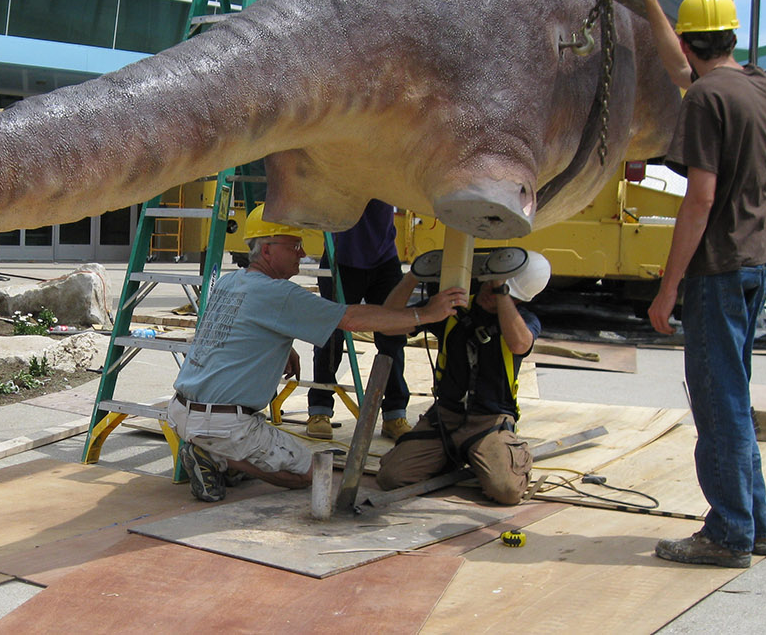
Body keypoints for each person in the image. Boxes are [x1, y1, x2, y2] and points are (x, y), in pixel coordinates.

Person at [169, 204, 467, 502]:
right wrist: (424, 314)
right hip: (223, 424)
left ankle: (216, 452)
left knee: (258, 449)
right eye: (294, 245)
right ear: (268, 250)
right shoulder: (281, 294)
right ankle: (218, 457)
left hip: (181, 410)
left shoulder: (230, 282)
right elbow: (351, 318)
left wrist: (280, 348)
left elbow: (233, 332)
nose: (302, 252)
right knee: (308, 474)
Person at [637, 0, 766, 568]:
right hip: (756, 265)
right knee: (736, 396)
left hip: (716, 269)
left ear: (692, 41)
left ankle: (727, 534)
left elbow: (699, 198)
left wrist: (668, 288)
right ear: (732, 37)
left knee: (718, 403)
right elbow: (683, 69)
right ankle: (757, 524)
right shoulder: (756, 85)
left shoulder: (702, 102)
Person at [373, 253, 550, 505]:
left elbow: (520, 344)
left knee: (507, 491)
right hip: (445, 419)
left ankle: (499, 456)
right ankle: (453, 454)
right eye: (490, 283)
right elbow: (386, 324)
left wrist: (502, 292)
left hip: (489, 421)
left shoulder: (523, 321)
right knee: (391, 477)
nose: (492, 290)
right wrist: (413, 277)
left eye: (505, 290)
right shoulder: (453, 310)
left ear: (519, 298)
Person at [306, 199, 413, 442]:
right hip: (341, 258)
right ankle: (320, 409)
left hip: (384, 257)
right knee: (329, 336)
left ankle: (395, 413)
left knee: (392, 337)